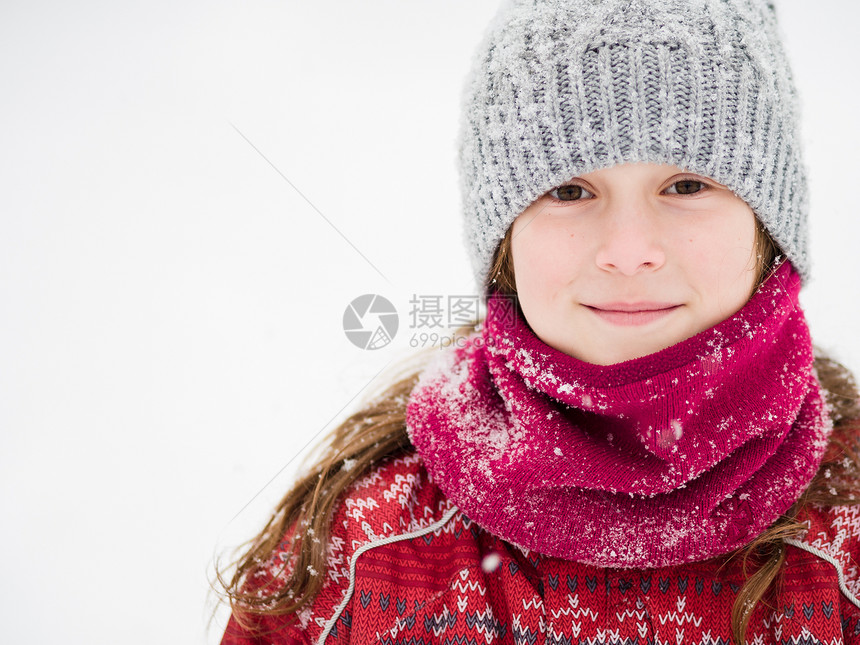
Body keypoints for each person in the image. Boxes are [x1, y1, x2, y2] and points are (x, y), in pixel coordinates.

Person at [216, 0, 860, 642]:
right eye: (571, 192)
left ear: (768, 230)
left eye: (687, 186)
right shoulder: (364, 554)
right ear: (504, 245)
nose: (629, 250)